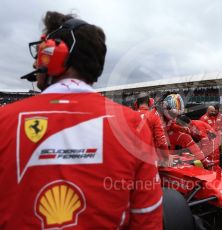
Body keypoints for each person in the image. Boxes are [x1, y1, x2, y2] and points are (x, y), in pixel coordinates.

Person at [0, 11, 162, 229]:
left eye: (41, 52)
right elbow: (147, 219)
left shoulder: (3, 120)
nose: (35, 64)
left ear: (55, 52)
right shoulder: (133, 125)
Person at [156, 94, 216, 168]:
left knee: (186, 137)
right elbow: (157, 136)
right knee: (164, 141)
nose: (175, 115)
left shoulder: (169, 116)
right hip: (155, 140)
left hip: (165, 135)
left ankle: (203, 160)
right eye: (174, 113)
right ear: (166, 108)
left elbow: (171, 126)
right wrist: (166, 156)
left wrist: (180, 128)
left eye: (177, 114)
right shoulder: (156, 116)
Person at [135, 92, 170, 163]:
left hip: (134, 157)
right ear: (150, 102)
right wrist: (166, 158)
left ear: (136, 104)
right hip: (150, 158)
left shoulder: (131, 115)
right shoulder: (154, 116)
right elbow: (161, 141)